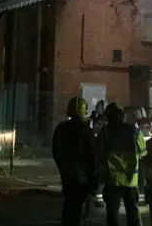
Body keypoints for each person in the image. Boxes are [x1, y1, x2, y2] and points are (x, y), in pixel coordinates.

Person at [97, 102, 147, 226]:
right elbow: (143, 153)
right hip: (130, 181)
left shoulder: (105, 132)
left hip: (112, 180)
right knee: (132, 211)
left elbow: (99, 153)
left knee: (112, 213)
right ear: (122, 116)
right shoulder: (135, 132)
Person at [52, 97, 98, 226]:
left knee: (68, 205)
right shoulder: (85, 130)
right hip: (82, 176)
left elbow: (56, 152)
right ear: (83, 111)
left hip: (67, 174)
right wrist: (93, 174)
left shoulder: (61, 128)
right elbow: (92, 153)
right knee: (78, 208)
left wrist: (63, 168)